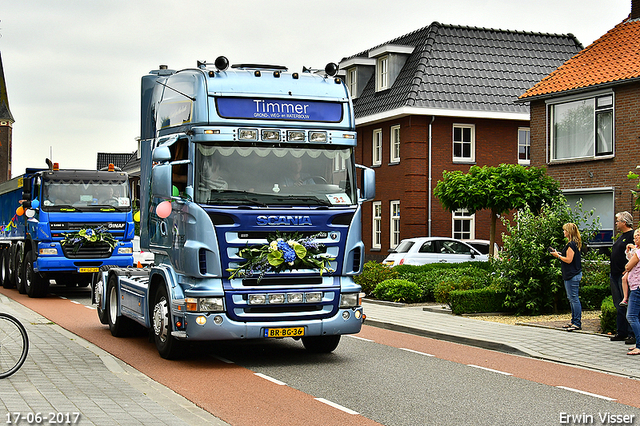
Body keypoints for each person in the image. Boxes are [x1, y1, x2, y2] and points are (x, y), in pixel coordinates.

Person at [610, 211, 636, 344]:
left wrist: (627, 271)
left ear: (624, 222)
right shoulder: (621, 237)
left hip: (624, 276)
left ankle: (632, 334)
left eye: (618, 221)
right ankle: (621, 331)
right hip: (614, 275)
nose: (616, 223)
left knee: (628, 304)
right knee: (618, 303)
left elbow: (635, 255)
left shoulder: (632, 236)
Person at [550, 223, 582, 331]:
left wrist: (558, 256)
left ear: (569, 232)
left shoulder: (571, 244)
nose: (563, 232)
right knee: (572, 298)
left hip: (572, 275)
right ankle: (574, 320)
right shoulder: (574, 244)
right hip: (572, 274)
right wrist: (559, 254)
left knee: (574, 298)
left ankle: (576, 322)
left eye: (565, 230)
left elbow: (569, 260)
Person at [624, 229, 640, 355]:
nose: (635, 239)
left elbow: (628, 266)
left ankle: (639, 345)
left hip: (636, 287)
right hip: (635, 286)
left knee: (631, 316)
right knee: (637, 316)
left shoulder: (639, 252)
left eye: (638, 236)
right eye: (635, 237)